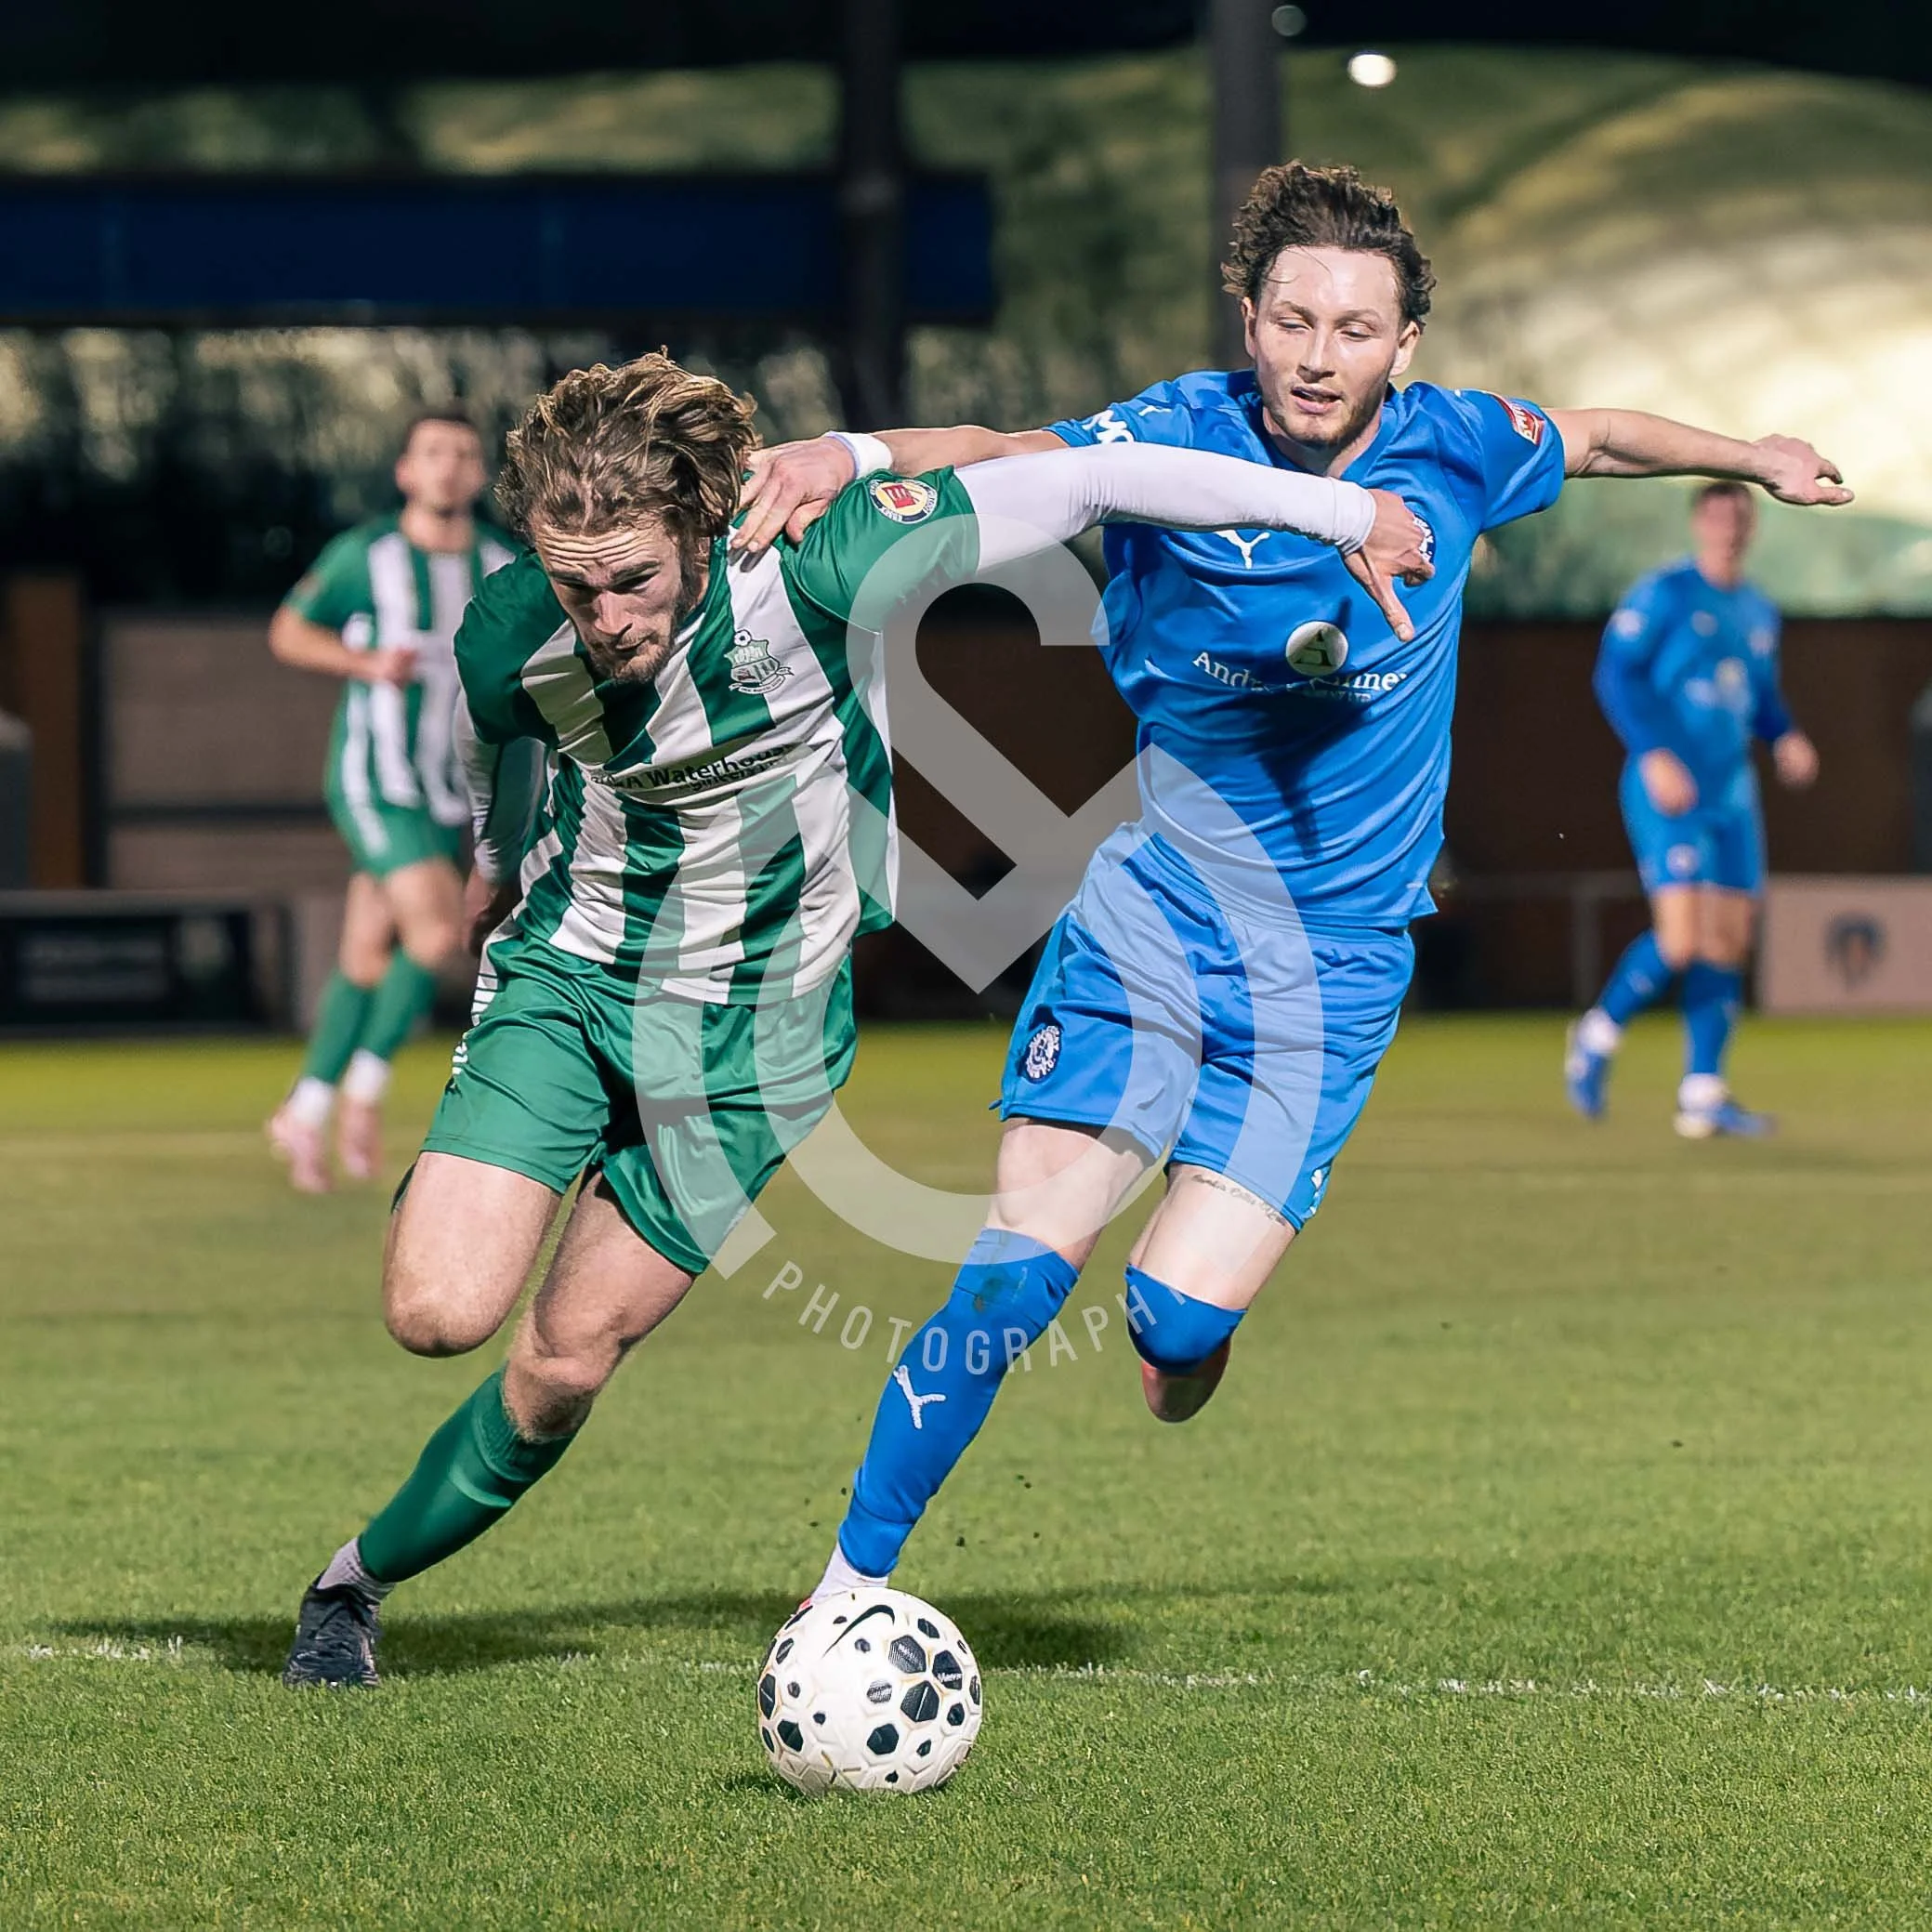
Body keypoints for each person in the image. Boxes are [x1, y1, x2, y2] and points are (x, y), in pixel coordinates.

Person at [732, 160, 1851, 1602]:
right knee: (1016, 1270)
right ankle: (842, 1594)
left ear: (1404, 347)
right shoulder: (1171, 438)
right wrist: (853, 450)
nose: (1318, 355)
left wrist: (1743, 451)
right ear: (1246, 319)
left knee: (1171, 1324)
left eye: (1353, 328)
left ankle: (1185, 1328)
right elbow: (1006, 444)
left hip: (1333, 967)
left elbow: (1595, 436)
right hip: (1155, 916)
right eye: (1290, 318)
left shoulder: (1452, 448)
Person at [280, 348, 1431, 1688]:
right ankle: (486, 1159)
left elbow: (1095, 476)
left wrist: (1347, 514)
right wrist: (491, 871)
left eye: (633, 579)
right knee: (436, 1310)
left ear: (704, 528)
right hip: (578, 976)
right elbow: (495, 754)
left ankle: (350, 1584)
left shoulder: (821, 563)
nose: (601, 613)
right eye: (573, 580)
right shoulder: (506, 625)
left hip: (757, 1039)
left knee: (564, 1363)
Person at [266, 409, 515, 1192]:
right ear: (406, 471)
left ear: (480, 476)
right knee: (440, 934)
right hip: (376, 780)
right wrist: (365, 662)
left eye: (464, 455)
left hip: (453, 792)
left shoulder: (504, 566)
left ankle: (303, 1110)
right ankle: (365, 1096)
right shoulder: (365, 557)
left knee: (366, 953)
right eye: (433, 453)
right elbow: (288, 632)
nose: (448, 467)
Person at [1565, 482, 1818, 1135]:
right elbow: (1614, 673)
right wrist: (1652, 752)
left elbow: (1759, 696)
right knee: (1680, 938)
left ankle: (1701, 1094)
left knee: (1728, 941)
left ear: (1752, 527)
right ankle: (1595, 1036)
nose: (1727, 528)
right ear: (1697, 522)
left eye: (1738, 517)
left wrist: (1784, 734)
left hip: (1731, 792)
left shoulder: (1758, 609)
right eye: (1716, 516)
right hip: (1667, 787)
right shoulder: (1665, 593)